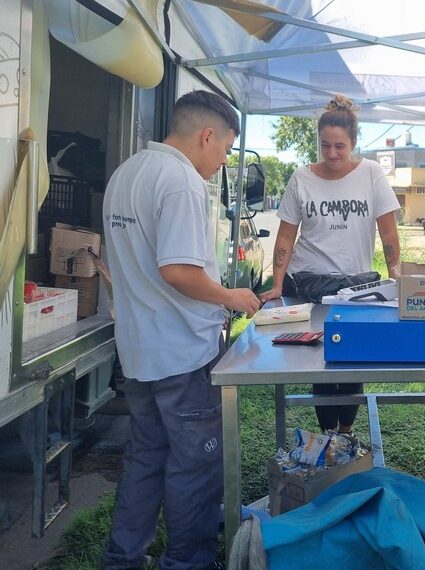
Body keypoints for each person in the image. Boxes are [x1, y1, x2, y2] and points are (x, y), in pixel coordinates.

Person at [102, 90, 261, 569]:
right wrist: (232, 297)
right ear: (206, 135)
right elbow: (178, 270)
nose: (224, 161)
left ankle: (122, 559)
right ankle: (188, 562)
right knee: (194, 467)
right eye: (226, 150)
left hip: (139, 350)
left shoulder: (126, 173)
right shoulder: (181, 181)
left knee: (147, 459)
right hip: (181, 353)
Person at [262, 95, 401, 434]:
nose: (333, 153)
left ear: (354, 142)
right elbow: (285, 238)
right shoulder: (301, 178)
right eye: (325, 146)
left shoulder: (371, 174)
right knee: (320, 361)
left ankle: (347, 431)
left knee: (352, 359)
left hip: (355, 287)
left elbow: (388, 233)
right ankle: (327, 434)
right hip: (308, 284)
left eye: (340, 146)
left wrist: (397, 274)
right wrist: (278, 284)